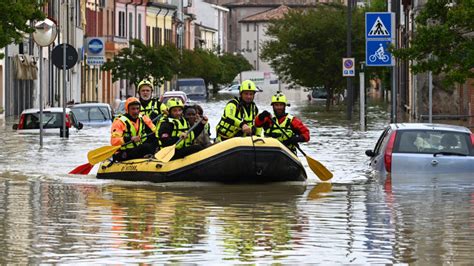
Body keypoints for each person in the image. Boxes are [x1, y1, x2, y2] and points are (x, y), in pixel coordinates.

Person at [111, 97, 157, 161]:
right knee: (145, 147)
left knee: (155, 142)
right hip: (123, 152)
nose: (135, 111)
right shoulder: (119, 122)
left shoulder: (143, 118)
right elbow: (114, 141)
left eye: (137, 109)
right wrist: (130, 138)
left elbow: (155, 131)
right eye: (133, 109)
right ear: (127, 109)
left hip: (137, 149)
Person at [136, 79, 167, 144]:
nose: (145, 93)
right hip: (139, 138)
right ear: (139, 92)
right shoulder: (134, 106)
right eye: (143, 91)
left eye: (147, 91)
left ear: (151, 92)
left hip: (155, 137)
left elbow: (167, 120)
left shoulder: (159, 105)